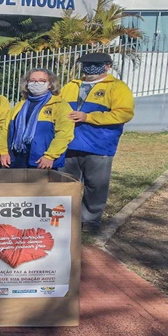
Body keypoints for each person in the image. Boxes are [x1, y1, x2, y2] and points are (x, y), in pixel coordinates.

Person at [59, 52, 135, 233]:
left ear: (108, 66)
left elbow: (124, 113)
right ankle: (66, 218)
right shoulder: (71, 86)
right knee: (66, 184)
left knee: (96, 185)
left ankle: (90, 221)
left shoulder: (117, 87)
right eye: (86, 64)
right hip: (68, 144)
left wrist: (88, 117)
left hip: (99, 145)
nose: (90, 68)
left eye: (96, 64)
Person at [7, 68, 74, 169]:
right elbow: (6, 129)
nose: (36, 83)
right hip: (18, 158)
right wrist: (3, 151)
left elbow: (64, 134)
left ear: (50, 84)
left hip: (42, 160)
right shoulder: (20, 105)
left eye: (42, 81)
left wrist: (50, 156)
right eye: (32, 80)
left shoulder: (59, 105)